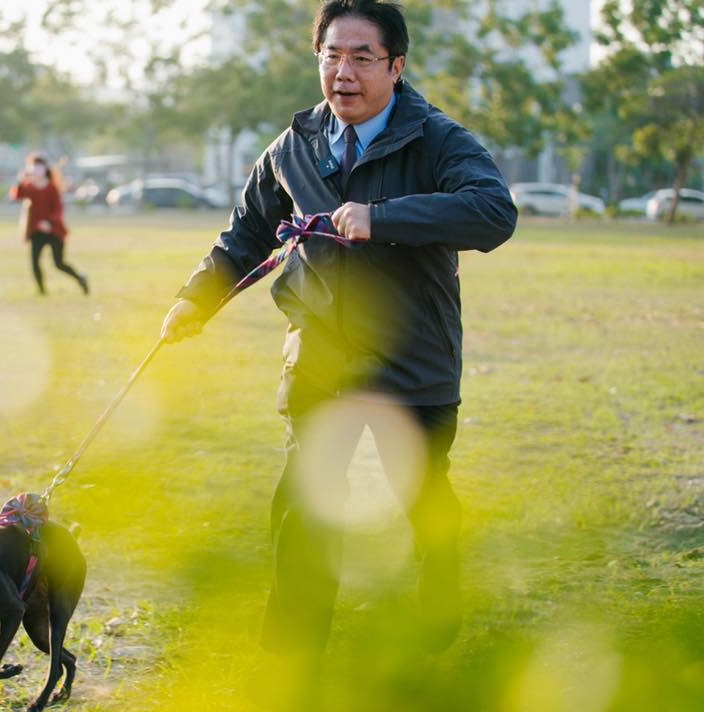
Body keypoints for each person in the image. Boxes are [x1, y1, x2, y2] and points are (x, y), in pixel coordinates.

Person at [161, 0, 516, 655]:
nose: (343, 71)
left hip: (415, 359)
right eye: (331, 55)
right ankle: (292, 659)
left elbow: (493, 212)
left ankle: (441, 585)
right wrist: (195, 299)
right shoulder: (293, 147)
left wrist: (384, 217)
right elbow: (246, 235)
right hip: (320, 355)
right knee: (305, 507)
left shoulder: (438, 139)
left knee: (423, 498)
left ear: (396, 65)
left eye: (362, 57)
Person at [10, 153, 89, 296]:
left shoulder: (52, 188)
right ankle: (42, 291)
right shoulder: (29, 186)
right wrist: (20, 180)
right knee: (35, 262)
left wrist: (49, 222)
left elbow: (58, 209)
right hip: (36, 231)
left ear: (44, 169)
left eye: (39, 167)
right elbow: (16, 195)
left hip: (54, 231)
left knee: (59, 263)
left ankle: (80, 278)